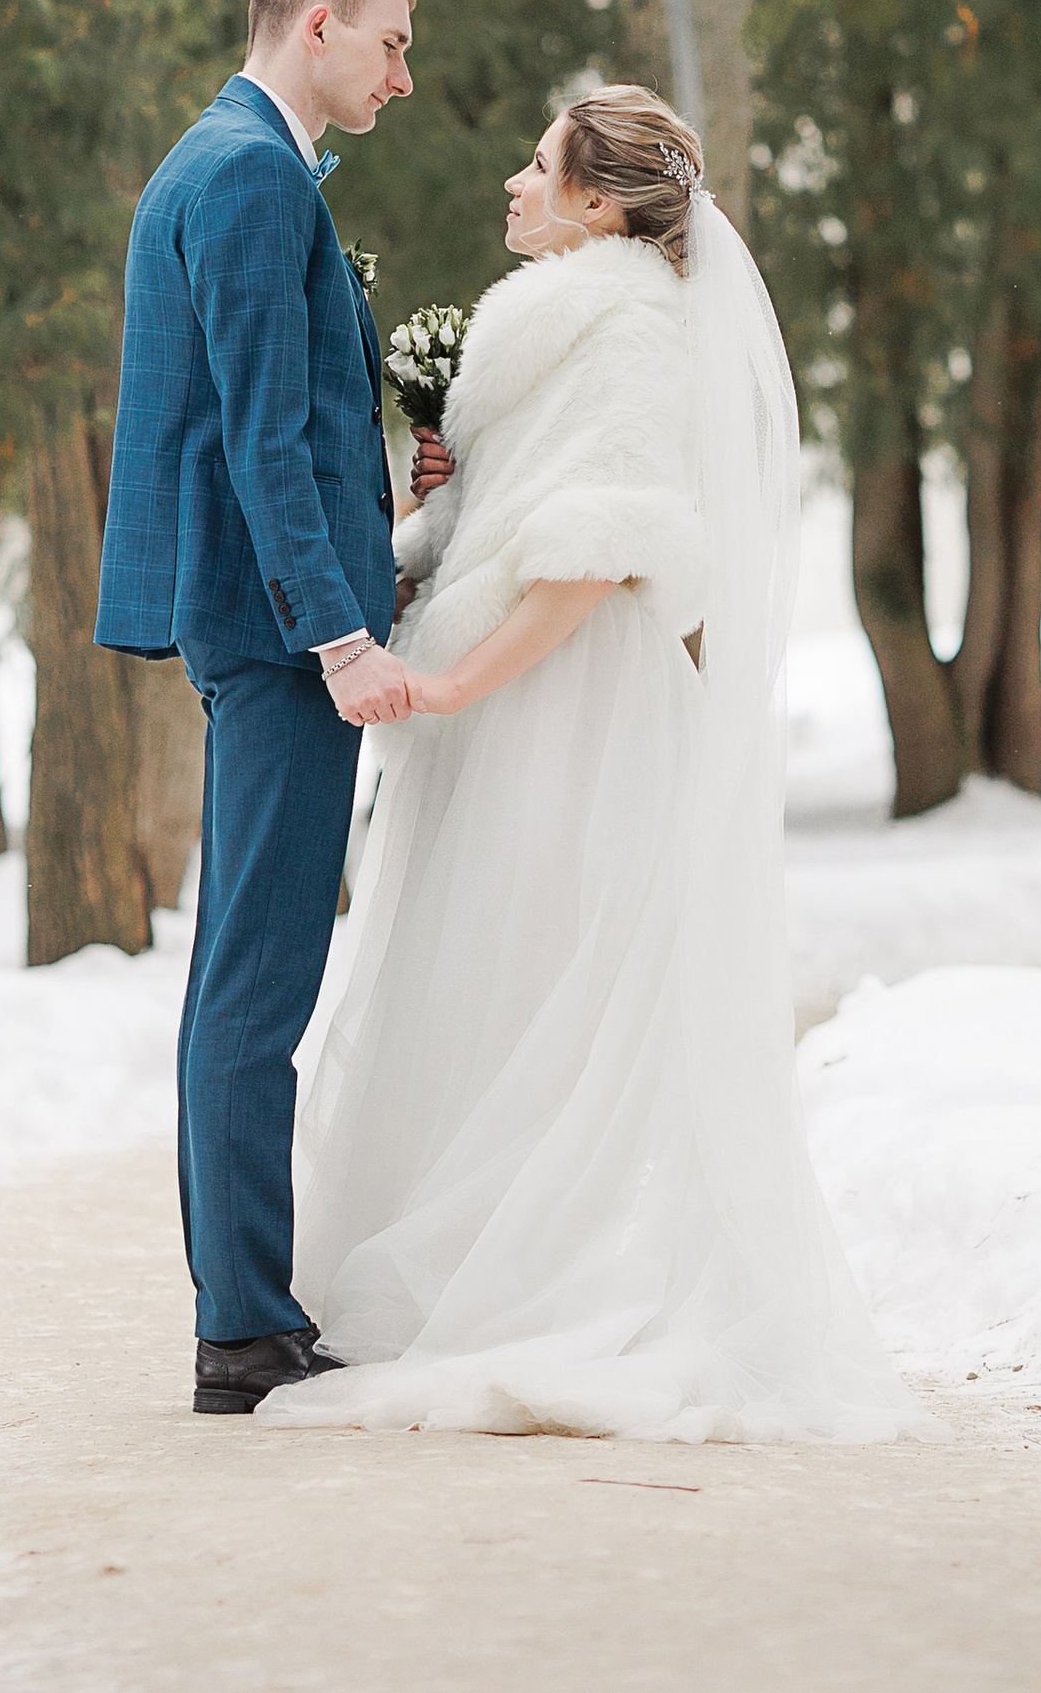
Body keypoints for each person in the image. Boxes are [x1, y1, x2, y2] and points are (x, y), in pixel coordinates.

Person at [273, 85, 920, 1444]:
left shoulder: (629, 330)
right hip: (515, 700)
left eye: (540, 166)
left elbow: (596, 553)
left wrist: (454, 678)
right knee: (484, 987)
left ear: (600, 205)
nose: (512, 182)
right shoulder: (559, 324)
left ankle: (543, 1283)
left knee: (542, 990)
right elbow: (518, 520)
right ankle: (470, 1271)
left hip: (567, 709)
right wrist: (443, 491)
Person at [94, 0, 436, 1419]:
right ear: (316, 25)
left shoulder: (239, 159)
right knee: (257, 976)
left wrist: (395, 515)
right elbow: (257, 438)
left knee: (248, 963)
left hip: (274, 624)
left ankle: (246, 1306)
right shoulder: (244, 172)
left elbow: (297, 418)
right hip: (282, 642)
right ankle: (239, 1324)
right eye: (391, 45)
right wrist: (340, 633)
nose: (403, 75)